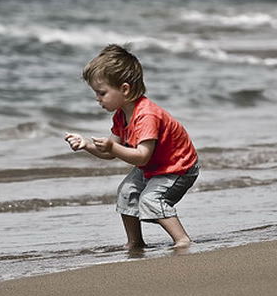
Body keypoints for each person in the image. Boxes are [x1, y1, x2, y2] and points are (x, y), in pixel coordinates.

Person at [65, 44, 199, 250]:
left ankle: (182, 240)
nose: (97, 99)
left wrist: (112, 147)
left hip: (178, 168)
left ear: (124, 89)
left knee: (151, 198)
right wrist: (86, 145)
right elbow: (109, 153)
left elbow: (142, 156)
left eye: (101, 93)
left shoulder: (147, 115)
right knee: (127, 191)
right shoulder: (120, 115)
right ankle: (135, 242)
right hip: (155, 166)